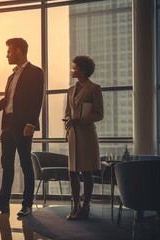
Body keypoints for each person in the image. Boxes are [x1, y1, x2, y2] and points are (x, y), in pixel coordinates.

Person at [0, 38, 44, 217]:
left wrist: (31, 123)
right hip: (7, 125)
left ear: (17, 51)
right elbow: (7, 100)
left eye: (9, 51)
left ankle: (27, 204)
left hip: (23, 126)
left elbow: (37, 99)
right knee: (6, 165)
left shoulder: (35, 72)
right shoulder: (11, 76)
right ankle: (3, 203)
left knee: (25, 165)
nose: (6, 55)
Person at [64, 55, 104, 220]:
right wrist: (67, 128)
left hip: (87, 135)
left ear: (81, 70)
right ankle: (75, 205)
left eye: (74, 67)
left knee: (86, 172)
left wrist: (80, 120)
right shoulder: (71, 90)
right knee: (72, 171)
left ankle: (85, 207)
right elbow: (67, 112)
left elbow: (99, 114)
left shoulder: (94, 89)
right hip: (73, 134)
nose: (71, 70)